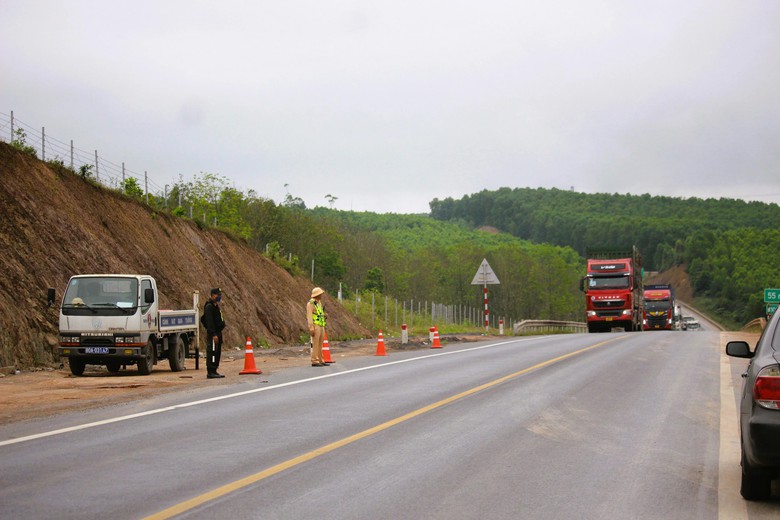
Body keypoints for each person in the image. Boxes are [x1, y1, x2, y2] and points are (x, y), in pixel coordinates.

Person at [203, 287, 226, 379]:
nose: (219, 297)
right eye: (218, 295)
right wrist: (213, 334)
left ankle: (215, 370)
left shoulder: (215, 306)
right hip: (214, 334)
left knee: (217, 352)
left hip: (218, 332)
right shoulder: (209, 307)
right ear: (213, 295)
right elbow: (209, 322)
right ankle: (211, 371)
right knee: (212, 352)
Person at [306, 287, 328, 367]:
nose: (321, 295)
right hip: (315, 326)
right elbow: (309, 316)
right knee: (315, 344)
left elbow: (319, 313)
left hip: (321, 325)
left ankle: (320, 359)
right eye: (320, 294)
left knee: (320, 344)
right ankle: (314, 360)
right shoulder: (310, 304)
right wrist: (311, 328)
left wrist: (324, 315)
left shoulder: (319, 303)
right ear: (317, 294)